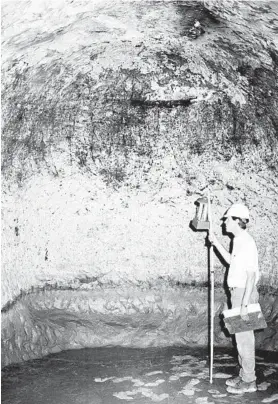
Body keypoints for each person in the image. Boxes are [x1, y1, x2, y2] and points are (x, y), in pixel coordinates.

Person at [209, 203, 260, 394]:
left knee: (245, 340)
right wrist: (215, 243)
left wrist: (245, 304)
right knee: (241, 338)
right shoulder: (238, 241)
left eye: (227, 219)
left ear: (237, 221)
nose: (224, 223)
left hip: (244, 294)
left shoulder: (247, 242)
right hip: (237, 293)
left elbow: (251, 275)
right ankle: (244, 375)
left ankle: (249, 381)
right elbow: (232, 261)